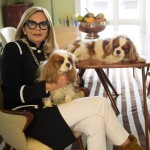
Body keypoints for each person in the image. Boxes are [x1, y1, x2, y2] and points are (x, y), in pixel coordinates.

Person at [1, 6, 144, 150]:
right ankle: (129, 146)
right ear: (24, 27)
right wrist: (49, 86)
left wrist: (72, 74)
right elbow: (12, 94)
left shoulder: (47, 52)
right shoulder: (13, 49)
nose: (38, 28)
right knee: (101, 103)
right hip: (29, 118)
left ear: (48, 29)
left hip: (53, 108)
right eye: (32, 23)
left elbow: (72, 81)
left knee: (97, 121)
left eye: (43, 24)